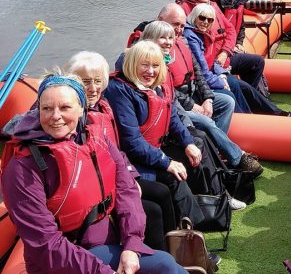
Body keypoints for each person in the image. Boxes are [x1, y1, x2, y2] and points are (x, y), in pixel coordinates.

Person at [0, 71, 186, 273]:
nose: (55, 116)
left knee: (165, 263)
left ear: (81, 108)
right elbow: (44, 241)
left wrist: (132, 245)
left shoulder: (96, 138)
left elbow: (126, 188)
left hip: (106, 240)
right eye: (46, 108)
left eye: (65, 107)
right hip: (65, 257)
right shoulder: (23, 166)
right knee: (165, 266)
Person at [64, 51, 178, 251]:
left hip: (113, 177)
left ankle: (175, 249)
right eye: (85, 82)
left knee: (161, 192)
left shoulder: (102, 108)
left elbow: (116, 152)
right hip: (95, 190)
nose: (92, 88)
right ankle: (157, 258)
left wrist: (131, 177)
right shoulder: (72, 119)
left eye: (97, 81)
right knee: (151, 210)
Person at [140, 21, 264, 177]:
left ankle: (217, 153)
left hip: (184, 101)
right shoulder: (148, 65)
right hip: (175, 109)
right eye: (163, 37)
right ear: (150, 38)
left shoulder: (172, 52)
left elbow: (198, 74)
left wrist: (208, 98)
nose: (169, 41)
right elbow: (171, 98)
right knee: (206, 122)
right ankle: (237, 157)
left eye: (170, 37)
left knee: (227, 101)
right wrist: (193, 106)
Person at [104, 41, 205, 226]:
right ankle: (188, 234)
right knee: (173, 177)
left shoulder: (157, 87)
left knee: (197, 147)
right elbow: (132, 142)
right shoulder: (119, 90)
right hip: (133, 161)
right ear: (132, 64)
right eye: (144, 64)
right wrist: (167, 162)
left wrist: (188, 142)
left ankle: (201, 210)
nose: (150, 71)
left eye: (155, 66)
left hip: (151, 152)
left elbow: (172, 117)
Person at [183, 3, 291, 117]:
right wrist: (220, 80)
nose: (205, 22)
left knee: (246, 82)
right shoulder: (192, 37)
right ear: (194, 17)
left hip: (215, 71)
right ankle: (249, 118)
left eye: (210, 20)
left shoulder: (204, 32)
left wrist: (222, 73)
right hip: (206, 78)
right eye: (202, 18)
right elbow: (202, 67)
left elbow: (229, 35)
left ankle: (268, 112)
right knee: (235, 86)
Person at [178, 0, 265, 90]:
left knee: (257, 62)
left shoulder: (213, 5)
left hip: (224, 56)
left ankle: (253, 96)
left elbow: (231, 30)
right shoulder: (184, 8)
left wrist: (225, 51)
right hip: (210, 63)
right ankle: (249, 98)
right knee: (238, 86)